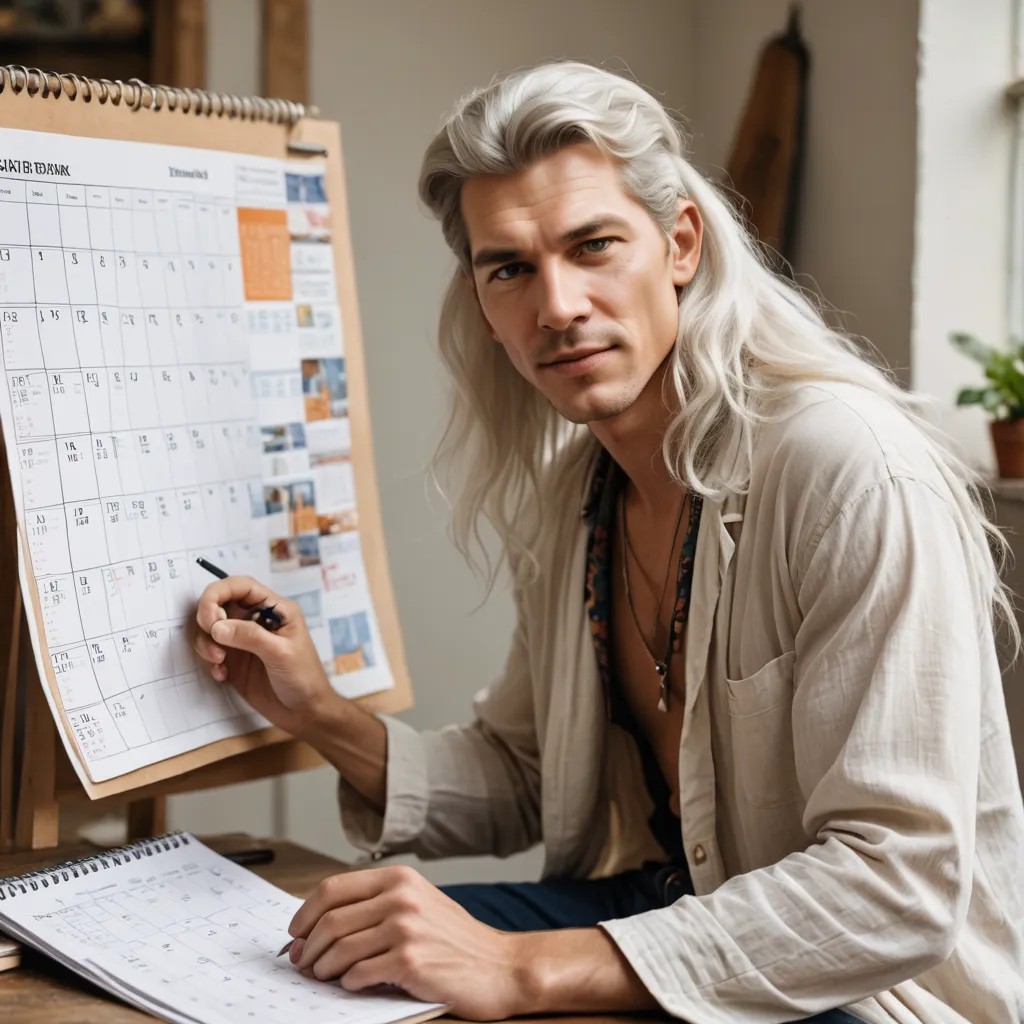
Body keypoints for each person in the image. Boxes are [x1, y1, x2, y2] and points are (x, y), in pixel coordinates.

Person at [192, 61, 1024, 1023]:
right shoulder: (578, 494)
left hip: (874, 996)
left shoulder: (846, 469)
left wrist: (519, 970)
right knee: (318, 959)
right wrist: (318, 713)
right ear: (481, 301)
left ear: (679, 243)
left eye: (593, 246)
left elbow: (896, 890)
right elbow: (525, 777)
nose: (556, 306)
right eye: (509, 267)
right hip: (669, 906)